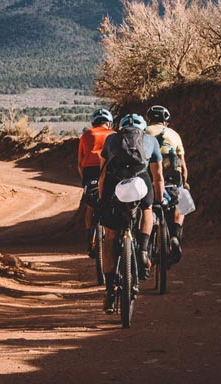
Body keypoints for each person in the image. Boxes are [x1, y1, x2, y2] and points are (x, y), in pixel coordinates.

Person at [98, 112, 164, 311]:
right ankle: (143, 250)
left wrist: (103, 200)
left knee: (110, 236)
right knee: (147, 209)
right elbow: (158, 175)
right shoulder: (150, 140)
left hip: (114, 183)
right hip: (140, 182)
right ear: (142, 128)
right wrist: (158, 200)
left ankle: (110, 288)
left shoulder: (111, 140)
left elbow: (102, 175)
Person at [145, 105, 189, 259]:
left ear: (149, 120)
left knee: (147, 205)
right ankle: (175, 235)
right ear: (166, 121)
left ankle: (146, 241)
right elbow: (182, 165)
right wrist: (184, 183)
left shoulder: (144, 132)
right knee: (181, 200)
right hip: (172, 175)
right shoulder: (174, 134)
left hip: (150, 173)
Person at [77, 108, 115, 255]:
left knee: (90, 206)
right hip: (109, 169)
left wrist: (84, 180)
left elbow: (80, 162)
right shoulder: (114, 135)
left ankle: (90, 238)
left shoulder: (86, 135)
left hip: (90, 172)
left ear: (93, 123)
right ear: (109, 123)